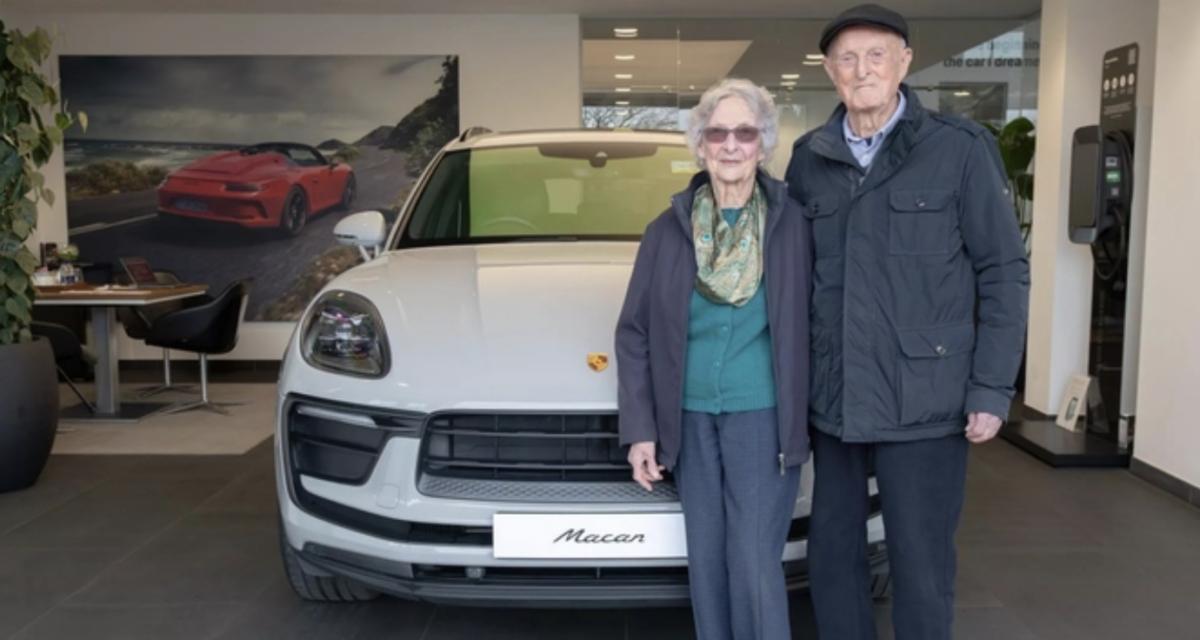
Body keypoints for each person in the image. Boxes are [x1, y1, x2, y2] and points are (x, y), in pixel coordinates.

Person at [784, 4, 1030, 639]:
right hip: (835, 400)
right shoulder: (808, 157)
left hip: (926, 399)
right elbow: (793, 281)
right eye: (846, 58)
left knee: (920, 564)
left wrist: (991, 389)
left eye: (875, 55)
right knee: (832, 557)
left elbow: (1002, 272)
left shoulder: (959, 149)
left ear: (903, 63)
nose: (860, 69)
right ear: (829, 71)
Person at [616, 78, 812, 640]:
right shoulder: (666, 232)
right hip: (689, 419)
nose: (731, 145)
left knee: (752, 563)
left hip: (763, 416)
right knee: (705, 563)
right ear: (700, 145)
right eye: (717, 132)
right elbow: (634, 333)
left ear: (764, 144)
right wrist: (642, 431)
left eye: (744, 133)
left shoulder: (793, 225)